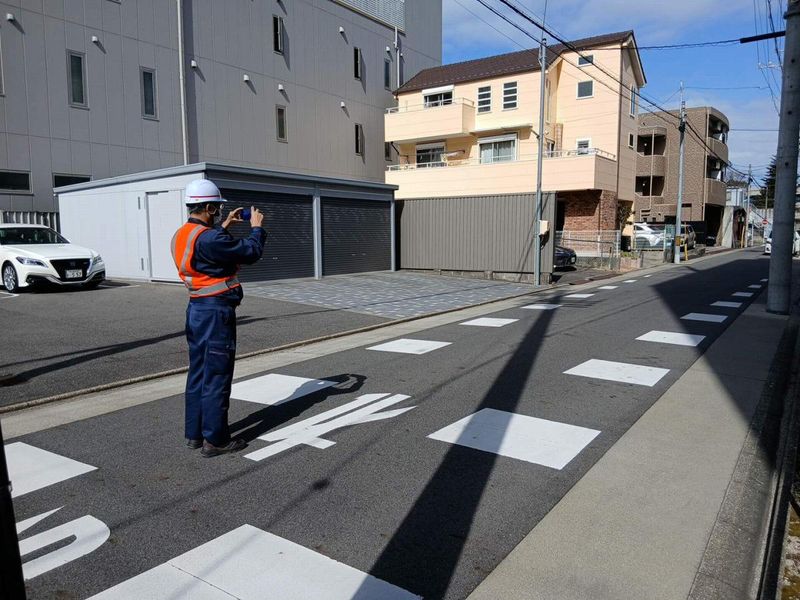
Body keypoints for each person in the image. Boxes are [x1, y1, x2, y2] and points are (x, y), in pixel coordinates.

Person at [171, 179, 266, 458]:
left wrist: (225, 227)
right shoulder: (211, 239)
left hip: (197, 310)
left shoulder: (182, 234)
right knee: (217, 376)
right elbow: (250, 252)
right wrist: (257, 227)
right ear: (209, 206)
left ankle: (195, 434)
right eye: (218, 209)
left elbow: (208, 250)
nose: (220, 213)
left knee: (198, 373)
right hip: (216, 312)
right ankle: (216, 440)